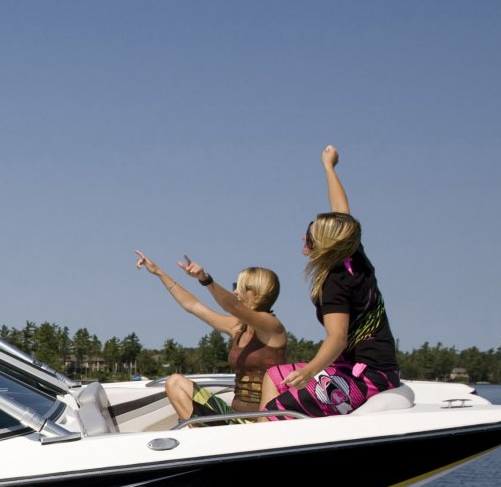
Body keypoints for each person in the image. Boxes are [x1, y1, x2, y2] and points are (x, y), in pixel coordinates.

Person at [262, 146, 402, 417]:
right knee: (273, 376)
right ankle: (265, 442)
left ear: (326, 246)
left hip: (369, 376)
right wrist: (329, 168)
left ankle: (271, 439)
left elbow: (337, 338)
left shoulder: (335, 284)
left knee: (276, 409)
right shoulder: (354, 255)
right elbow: (342, 212)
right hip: (348, 367)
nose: (304, 238)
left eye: (310, 236)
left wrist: (310, 371)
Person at [134, 250, 287, 424]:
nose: (235, 292)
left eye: (239, 286)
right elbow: (192, 305)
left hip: (265, 422)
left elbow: (233, 307)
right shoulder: (237, 327)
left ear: (256, 293)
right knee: (175, 383)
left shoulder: (273, 328)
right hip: (235, 418)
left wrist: (205, 279)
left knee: (262, 419)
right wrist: (159, 272)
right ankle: (206, 440)